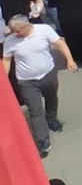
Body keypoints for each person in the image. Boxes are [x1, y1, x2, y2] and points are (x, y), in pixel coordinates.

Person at [4, 14, 75, 156]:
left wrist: (69, 60)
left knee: (52, 98)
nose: (15, 34)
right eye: (13, 31)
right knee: (36, 111)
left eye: (17, 31)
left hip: (48, 74)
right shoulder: (11, 41)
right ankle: (43, 140)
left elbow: (60, 43)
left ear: (26, 26)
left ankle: (51, 117)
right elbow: (6, 60)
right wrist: (4, 81)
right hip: (27, 82)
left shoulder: (44, 30)